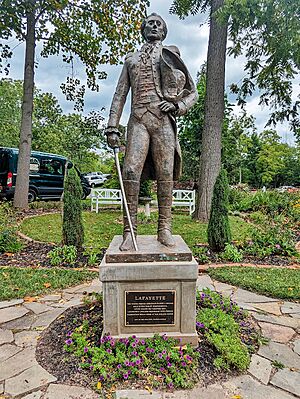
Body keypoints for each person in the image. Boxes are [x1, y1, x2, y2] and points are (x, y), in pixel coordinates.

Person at [105, 13, 198, 251]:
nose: (154, 26)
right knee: (131, 170)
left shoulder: (172, 56)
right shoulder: (131, 60)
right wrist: (112, 126)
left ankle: (164, 229)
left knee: (165, 171)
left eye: (158, 24)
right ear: (143, 29)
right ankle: (129, 232)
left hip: (163, 121)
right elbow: (120, 94)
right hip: (138, 120)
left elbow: (192, 93)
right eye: (149, 23)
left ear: (164, 31)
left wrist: (178, 106)